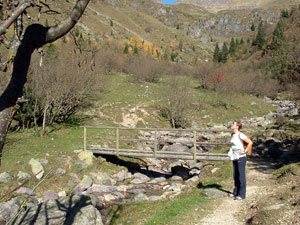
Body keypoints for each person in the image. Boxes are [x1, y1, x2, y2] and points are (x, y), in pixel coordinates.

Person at [228, 121, 253, 200]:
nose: (232, 125)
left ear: (237, 126)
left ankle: (242, 194)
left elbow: (250, 142)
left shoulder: (240, 134)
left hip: (241, 156)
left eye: (233, 124)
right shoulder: (233, 135)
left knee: (241, 175)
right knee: (235, 174)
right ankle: (236, 192)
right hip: (234, 156)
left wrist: (245, 151)